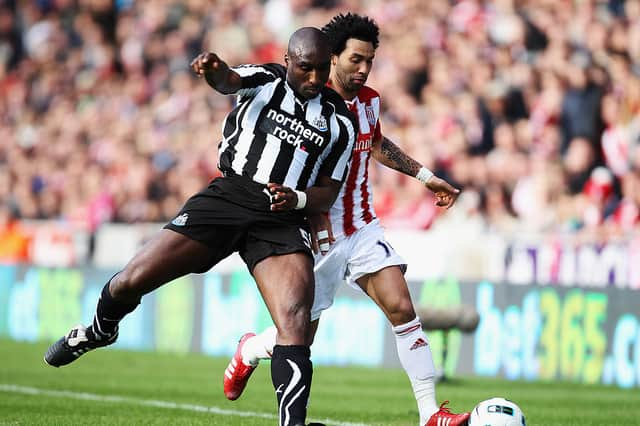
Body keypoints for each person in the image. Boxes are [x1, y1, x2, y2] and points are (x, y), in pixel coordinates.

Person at [44, 27, 357, 426]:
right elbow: (228, 80)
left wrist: (295, 199)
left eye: (322, 70)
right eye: (305, 68)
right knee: (129, 280)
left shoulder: (339, 123)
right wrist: (211, 68)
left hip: (282, 216)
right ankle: (101, 330)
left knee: (295, 320)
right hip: (228, 197)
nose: (315, 79)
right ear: (287, 60)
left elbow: (328, 192)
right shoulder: (266, 80)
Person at [222, 14, 469, 426]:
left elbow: (375, 142)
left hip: (361, 227)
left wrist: (425, 176)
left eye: (369, 61)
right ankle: (248, 350)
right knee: (298, 336)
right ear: (331, 57)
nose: (363, 69)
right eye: (356, 59)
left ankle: (430, 414)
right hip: (314, 235)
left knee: (402, 307)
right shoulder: (305, 105)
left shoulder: (369, 100)